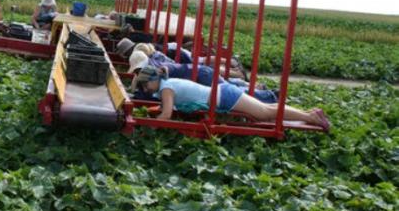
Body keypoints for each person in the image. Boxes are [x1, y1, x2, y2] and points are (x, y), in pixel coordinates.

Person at [134, 65, 330, 130]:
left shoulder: (166, 88)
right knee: (265, 111)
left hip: (224, 96)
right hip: (222, 94)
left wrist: (146, 125)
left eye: (145, 84)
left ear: (154, 79)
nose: (145, 88)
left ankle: (311, 117)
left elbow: (167, 115)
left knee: (264, 112)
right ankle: (310, 114)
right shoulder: (167, 85)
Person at [128, 51, 278, 103]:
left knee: (232, 93)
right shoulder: (153, 66)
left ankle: (269, 96)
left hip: (201, 75)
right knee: (231, 89)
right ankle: (262, 91)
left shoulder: (156, 70)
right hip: (200, 73)